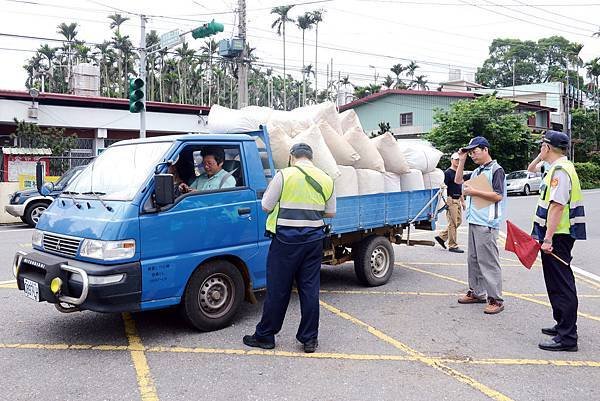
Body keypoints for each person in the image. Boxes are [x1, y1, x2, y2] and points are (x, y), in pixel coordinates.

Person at [243, 143, 336, 354]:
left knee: (278, 289)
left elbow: (266, 206)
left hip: (286, 241)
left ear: (292, 156)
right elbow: (330, 213)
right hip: (313, 241)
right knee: (310, 289)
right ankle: (309, 339)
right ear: (311, 157)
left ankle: (266, 336)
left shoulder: (284, 176)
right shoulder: (326, 178)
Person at [531, 130, 586, 352]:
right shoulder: (556, 167)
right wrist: (541, 155)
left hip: (558, 237)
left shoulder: (560, 171)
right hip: (557, 235)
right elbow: (531, 169)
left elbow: (557, 206)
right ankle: (562, 324)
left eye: (542, 146)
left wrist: (547, 238)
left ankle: (568, 338)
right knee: (554, 283)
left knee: (562, 285)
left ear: (548, 147)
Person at [454, 136, 507, 315]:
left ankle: (496, 299)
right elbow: (458, 180)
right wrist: (461, 160)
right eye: (470, 153)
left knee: (488, 262)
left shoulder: (496, 169)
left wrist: (474, 191)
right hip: (475, 220)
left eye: (474, 152)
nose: (473, 156)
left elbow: (498, 195)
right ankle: (477, 292)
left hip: (487, 223)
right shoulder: (478, 171)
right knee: (474, 260)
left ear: (485, 149)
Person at [435, 152, 466, 253]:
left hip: (457, 199)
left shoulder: (458, 172)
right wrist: (446, 201)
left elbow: (459, 187)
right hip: (451, 199)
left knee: (458, 221)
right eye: (456, 160)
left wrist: (463, 201)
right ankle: (452, 245)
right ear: (451, 160)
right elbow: (443, 187)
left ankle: (442, 237)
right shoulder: (447, 173)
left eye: (459, 160)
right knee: (452, 223)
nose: (457, 161)